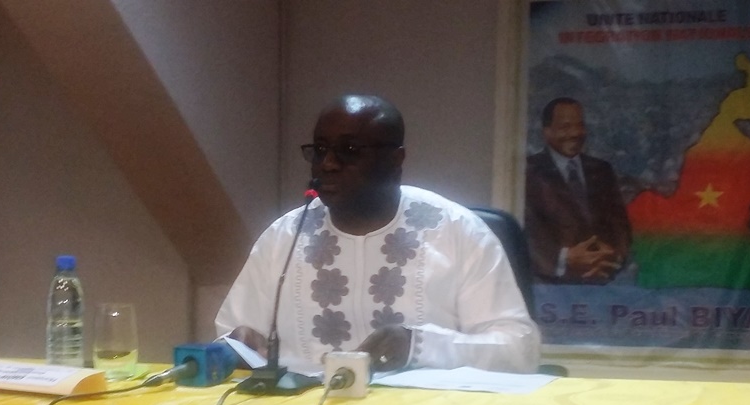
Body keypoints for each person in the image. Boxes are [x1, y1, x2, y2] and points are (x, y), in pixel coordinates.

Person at [216, 94, 540, 373]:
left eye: (349, 149)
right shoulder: (284, 238)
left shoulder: (458, 231)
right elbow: (233, 336)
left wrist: (419, 346)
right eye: (320, 149)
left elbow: (519, 350)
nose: (328, 164)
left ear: (396, 159)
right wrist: (236, 345)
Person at [525, 97, 632, 284]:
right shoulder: (528, 172)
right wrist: (563, 259)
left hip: (603, 282)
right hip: (551, 287)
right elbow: (526, 232)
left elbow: (620, 225)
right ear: (547, 132)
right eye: (565, 127)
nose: (575, 133)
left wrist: (613, 256)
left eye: (580, 125)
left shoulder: (602, 170)